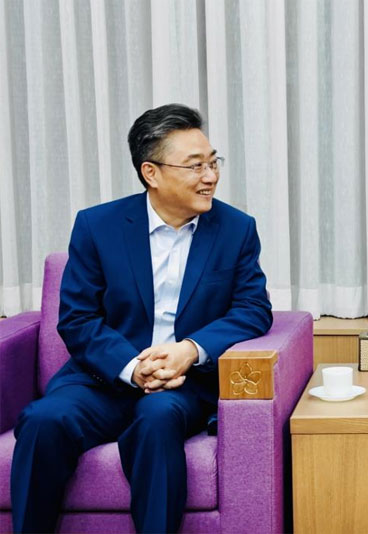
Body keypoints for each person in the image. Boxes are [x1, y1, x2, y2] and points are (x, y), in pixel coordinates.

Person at [11, 103, 273, 533]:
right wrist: (133, 369)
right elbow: (77, 318)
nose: (210, 176)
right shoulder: (98, 226)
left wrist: (189, 351)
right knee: (43, 420)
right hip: (103, 379)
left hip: (184, 385)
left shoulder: (236, 229)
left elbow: (252, 309)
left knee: (157, 418)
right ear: (152, 173)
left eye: (212, 162)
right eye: (194, 166)